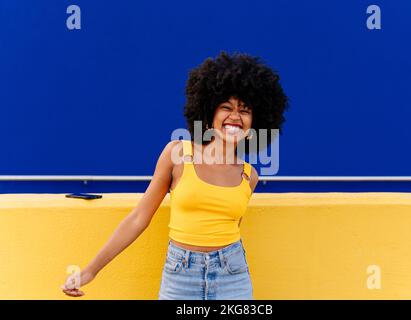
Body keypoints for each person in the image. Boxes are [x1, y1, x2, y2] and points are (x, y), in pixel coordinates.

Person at [61, 51, 289, 299]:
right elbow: (138, 218)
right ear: (209, 112)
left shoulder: (249, 175)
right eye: (226, 107)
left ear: (255, 122)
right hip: (181, 275)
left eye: (244, 110)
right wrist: (90, 271)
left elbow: (228, 224)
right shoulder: (178, 154)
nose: (235, 117)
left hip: (232, 275)